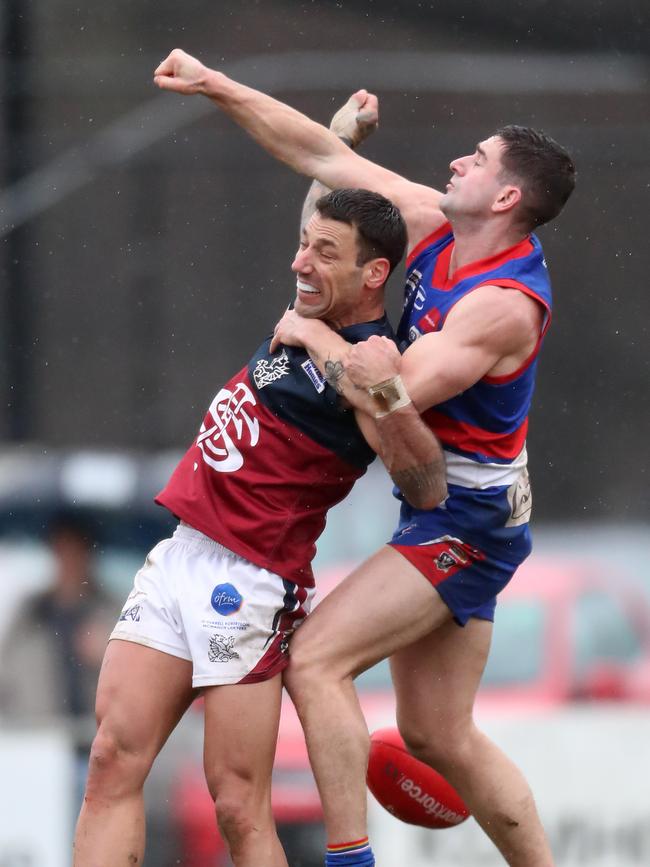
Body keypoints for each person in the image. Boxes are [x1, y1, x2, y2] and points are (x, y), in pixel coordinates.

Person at [153, 48, 576, 867]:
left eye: (479, 158)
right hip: (454, 507)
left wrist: (312, 331)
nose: (460, 159)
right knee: (438, 731)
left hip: (466, 519)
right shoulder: (434, 223)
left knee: (316, 659)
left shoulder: (501, 308)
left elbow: (392, 396)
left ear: (508, 197)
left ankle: (352, 860)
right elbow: (322, 155)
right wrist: (217, 85)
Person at [72, 186, 447, 867]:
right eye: (303, 243)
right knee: (109, 760)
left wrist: (370, 381)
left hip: (248, 582)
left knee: (237, 804)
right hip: (180, 553)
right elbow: (316, 198)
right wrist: (338, 137)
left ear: (375, 275)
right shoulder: (312, 304)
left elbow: (426, 482)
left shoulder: (369, 360)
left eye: (324, 252)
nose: (302, 262)